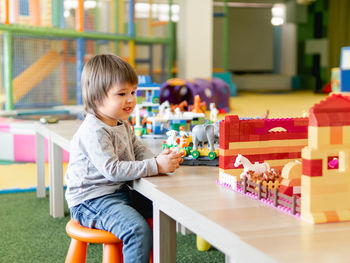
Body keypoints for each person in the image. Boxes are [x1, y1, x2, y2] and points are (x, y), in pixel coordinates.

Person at [65, 54, 183, 263]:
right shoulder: (94, 131)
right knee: (136, 230)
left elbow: (137, 148)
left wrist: (158, 160)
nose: (130, 99)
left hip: (117, 193)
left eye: (133, 92)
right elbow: (113, 170)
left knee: (165, 208)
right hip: (91, 201)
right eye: (121, 93)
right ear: (96, 98)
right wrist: (155, 165)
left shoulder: (121, 123)